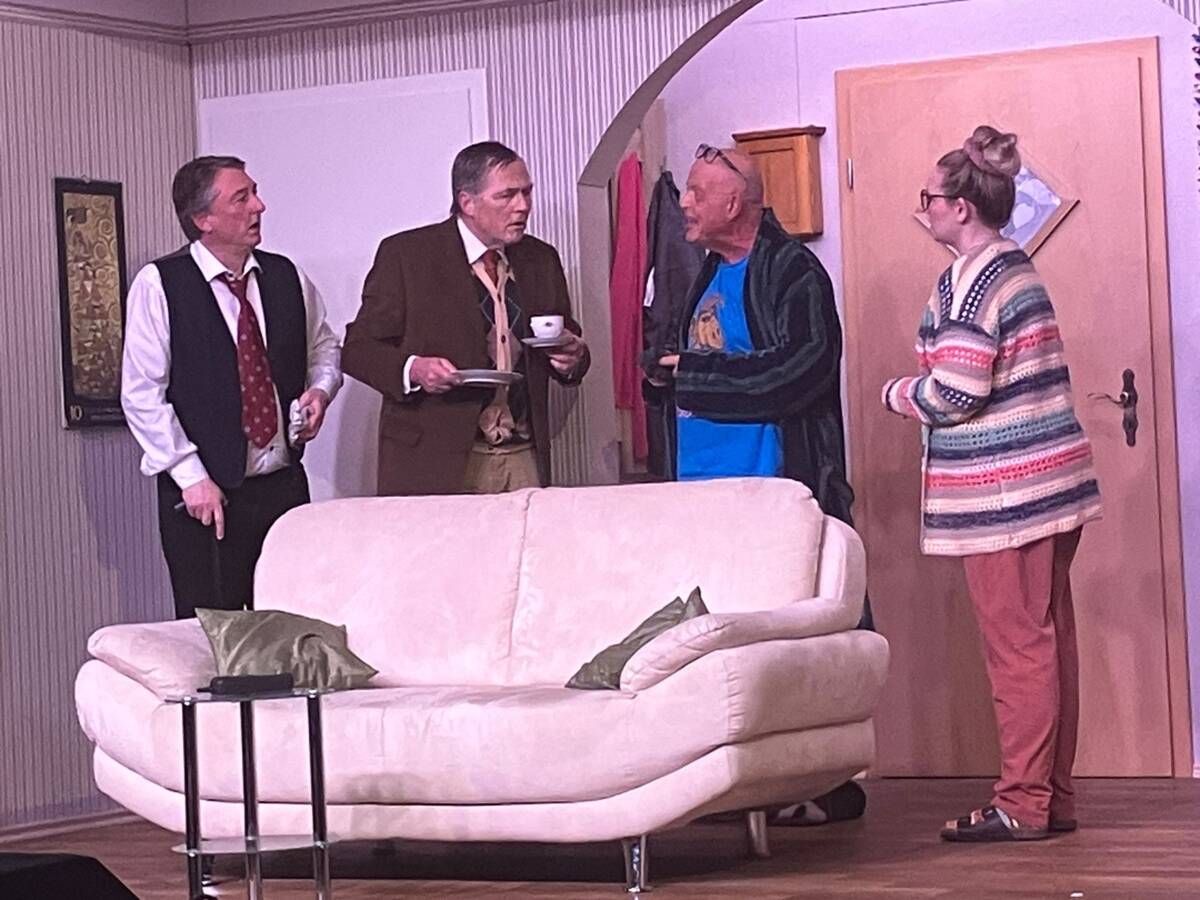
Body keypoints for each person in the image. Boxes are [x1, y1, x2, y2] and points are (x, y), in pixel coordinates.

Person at [882, 126, 1102, 842]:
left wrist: (896, 393)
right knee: (1047, 641)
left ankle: (1022, 803)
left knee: (1019, 649)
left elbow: (956, 392)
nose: (924, 209)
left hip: (1007, 494)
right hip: (1047, 485)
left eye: (929, 198)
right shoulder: (1014, 268)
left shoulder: (973, 281)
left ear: (961, 208)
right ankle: (1049, 799)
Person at [645, 144, 867, 825]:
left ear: (734, 201)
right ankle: (740, 783)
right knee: (721, 648)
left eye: (696, 192)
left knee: (787, 643)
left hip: (773, 489)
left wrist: (693, 375)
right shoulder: (708, 271)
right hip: (705, 495)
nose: (684, 204)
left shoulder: (792, 270)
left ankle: (820, 782)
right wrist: (664, 375)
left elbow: (801, 371)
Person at [122, 155, 342, 619]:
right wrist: (191, 477)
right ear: (204, 219)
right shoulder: (161, 284)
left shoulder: (286, 276)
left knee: (289, 623)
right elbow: (142, 394)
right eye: (242, 198)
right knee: (214, 632)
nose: (259, 206)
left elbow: (324, 347)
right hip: (204, 494)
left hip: (282, 487)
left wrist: (320, 391)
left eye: (254, 193)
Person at [342, 141, 590, 495]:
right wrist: (414, 369)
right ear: (467, 202)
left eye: (527, 192)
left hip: (522, 456)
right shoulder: (407, 256)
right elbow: (358, 350)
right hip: (436, 461)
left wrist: (572, 358)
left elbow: (569, 343)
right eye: (506, 195)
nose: (523, 205)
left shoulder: (540, 259)